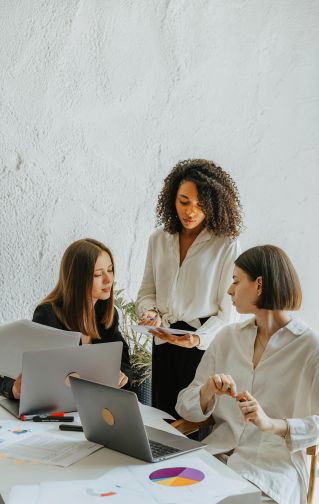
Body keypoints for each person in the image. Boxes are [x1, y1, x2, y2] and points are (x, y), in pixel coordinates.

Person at [176, 245, 319, 504]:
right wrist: (208, 390)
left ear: (259, 284)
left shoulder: (310, 347)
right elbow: (185, 405)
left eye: (235, 280)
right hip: (214, 460)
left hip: (271, 472)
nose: (229, 290)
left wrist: (273, 424)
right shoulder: (227, 338)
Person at [136, 159, 243, 417]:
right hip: (163, 341)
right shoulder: (158, 239)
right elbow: (146, 292)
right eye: (184, 202)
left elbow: (228, 314)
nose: (190, 212)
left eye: (200, 205)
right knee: (161, 419)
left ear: (214, 205)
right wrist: (151, 313)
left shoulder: (225, 245)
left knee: (193, 423)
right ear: (172, 198)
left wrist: (197, 339)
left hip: (200, 347)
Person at [0, 238, 132, 400]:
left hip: (94, 406)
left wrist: (121, 377)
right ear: (78, 279)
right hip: (56, 410)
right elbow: (19, 373)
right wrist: (14, 389)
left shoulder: (107, 315)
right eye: (98, 274)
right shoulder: (48, 314)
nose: (108, 279)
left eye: (110, 270)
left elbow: (125, 365)